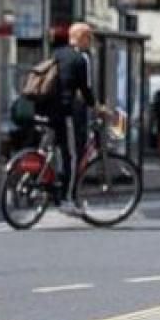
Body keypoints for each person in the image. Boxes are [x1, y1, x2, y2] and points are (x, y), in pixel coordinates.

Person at [44, 23, 97, 211]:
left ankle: (48, 184)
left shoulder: (57, 54)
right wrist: (96, 107)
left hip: (48, 109)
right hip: (65, 111)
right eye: (89, 38)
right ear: (81, 37)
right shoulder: (80, 59)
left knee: (56, 150)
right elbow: (85, 89)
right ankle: (67, 199)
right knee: (73, 156)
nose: (90, 42)